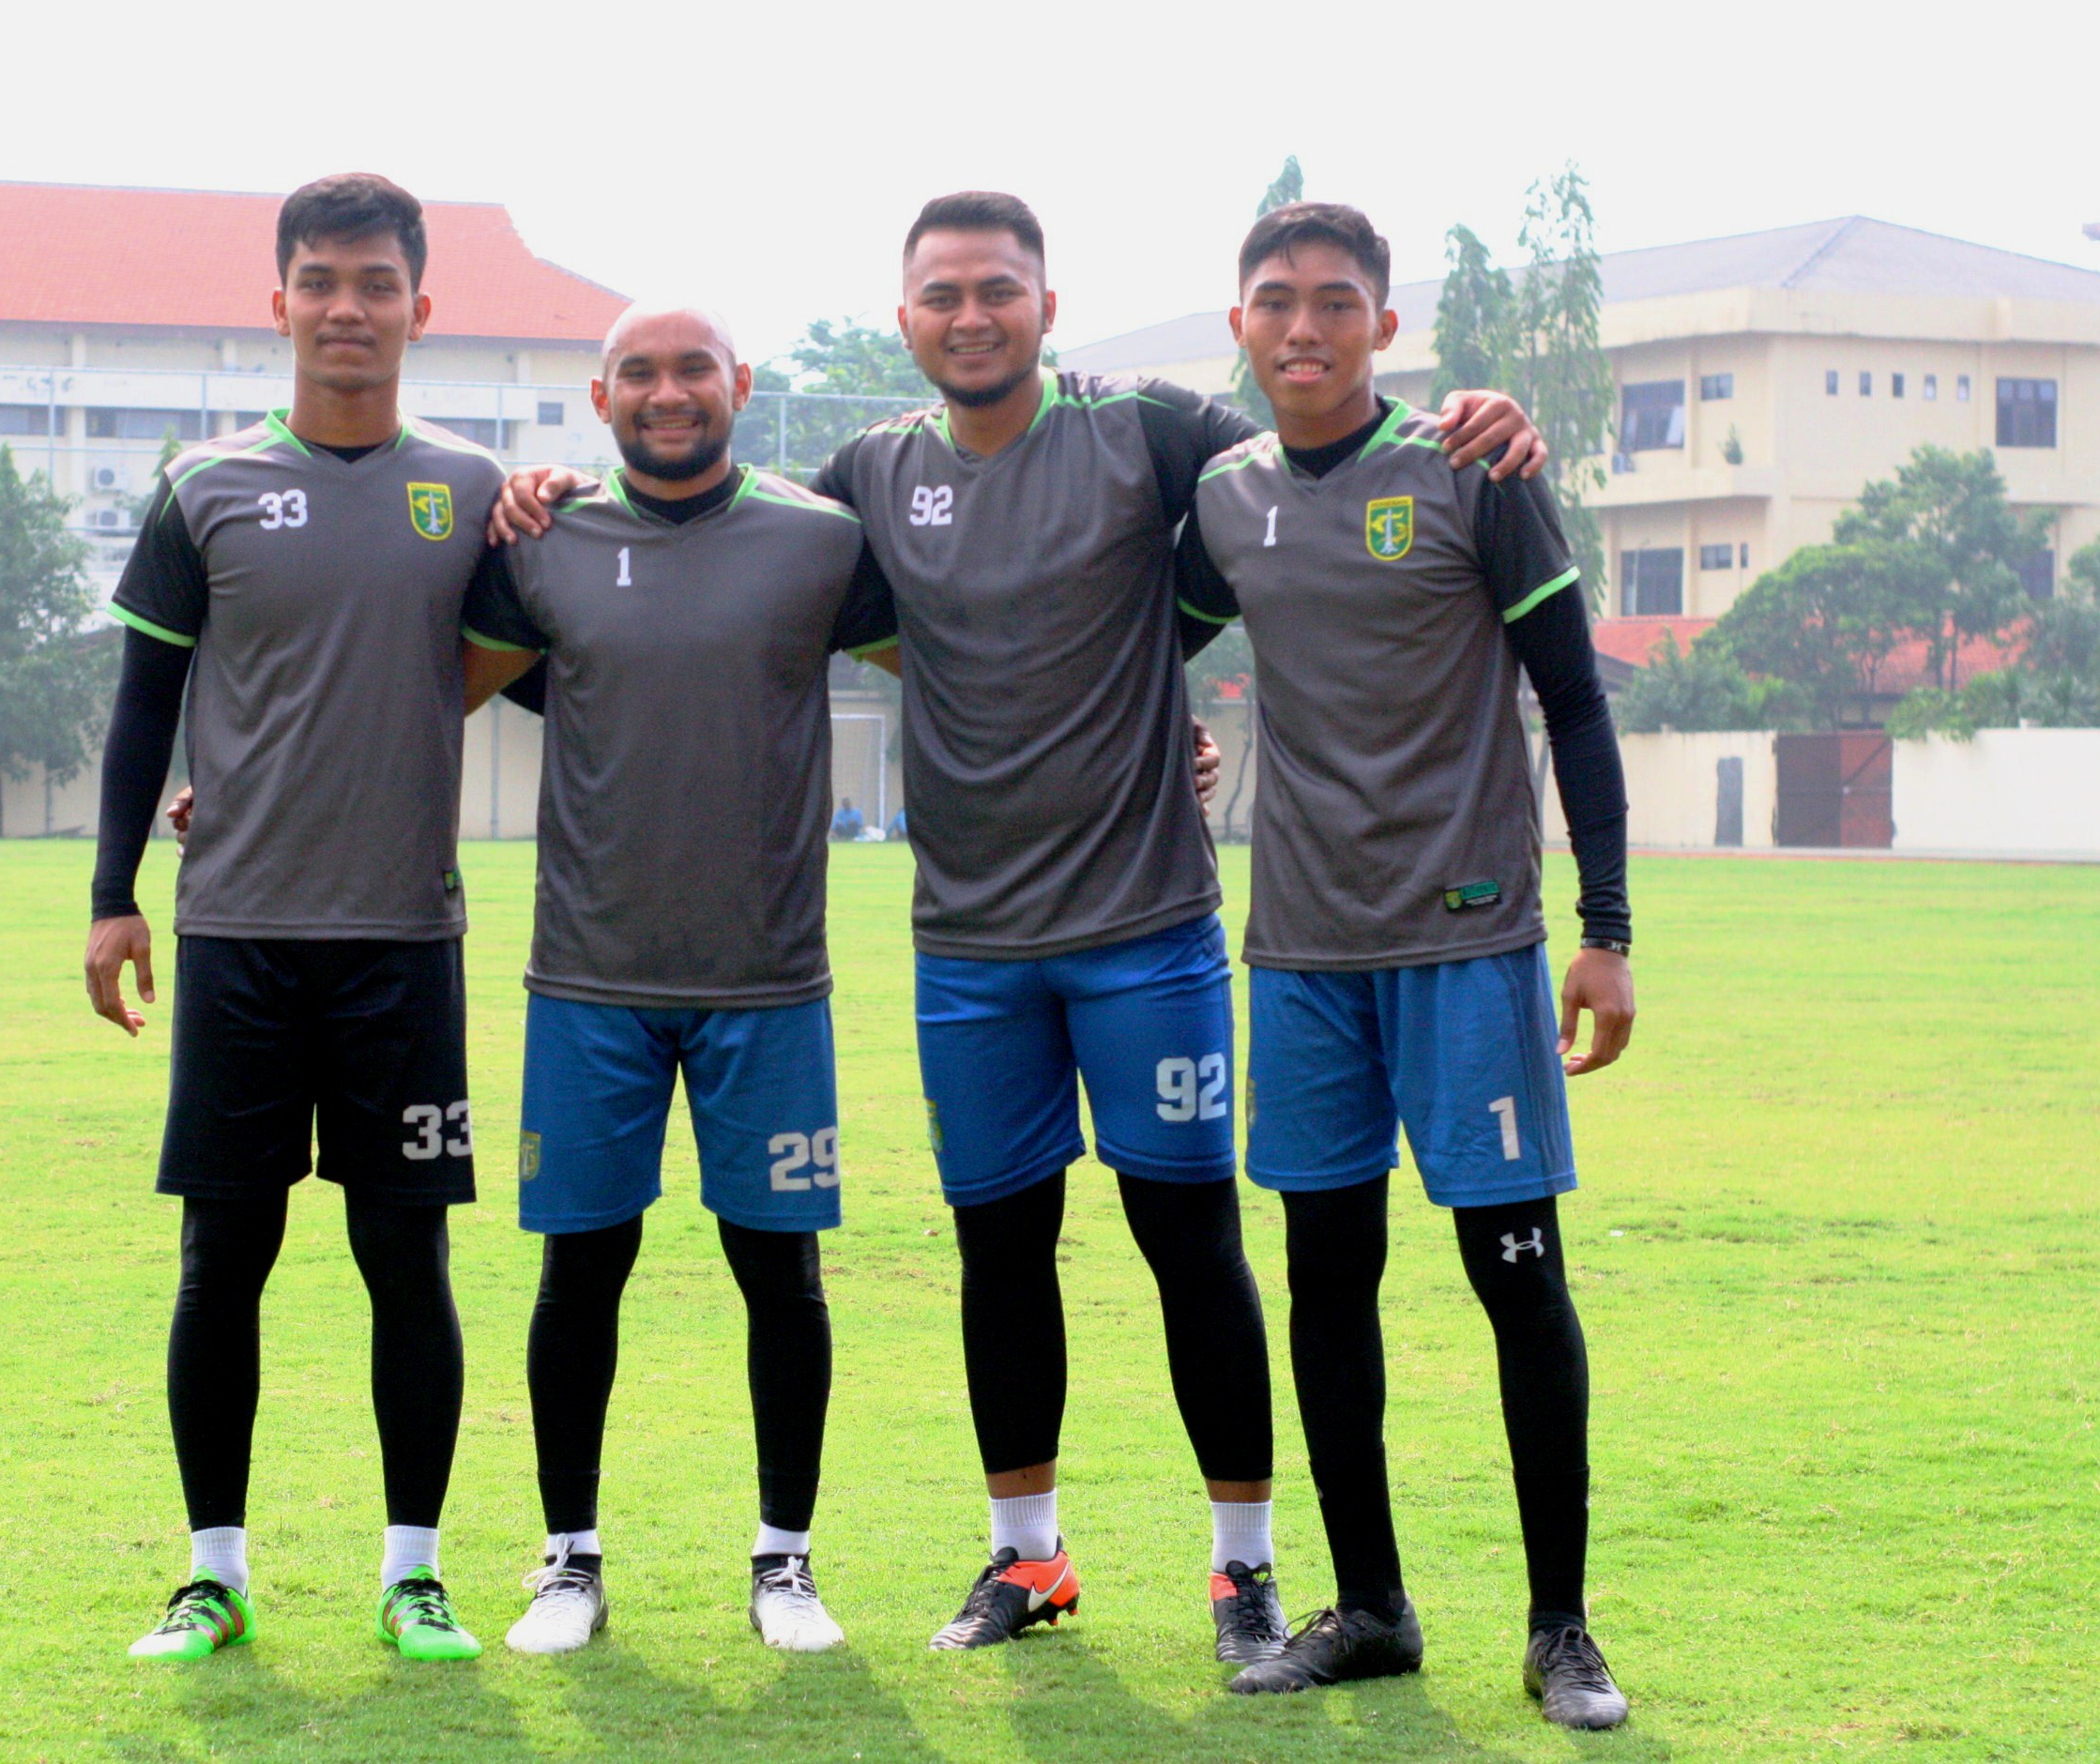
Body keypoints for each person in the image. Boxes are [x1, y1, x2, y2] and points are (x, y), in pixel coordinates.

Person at [497, 190, 1545, 1660]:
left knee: (1190, 1241)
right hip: (971, 942)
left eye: (999, 289)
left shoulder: (1144, 429)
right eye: (942, 294)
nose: (971, 314)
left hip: (1147, 926)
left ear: (1047, 308)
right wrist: (545, 491)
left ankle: (1241, 1568)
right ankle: (1025, 1560)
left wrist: (1465, 418)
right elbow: (700, 553)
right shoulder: (865, 474)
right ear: (906, 314)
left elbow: (1319, 416)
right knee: (1002, 1249)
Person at [1179, 201, 1634, 1728]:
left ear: (1382, 322)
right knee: (1327, 1285)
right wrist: (1165, 736)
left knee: (1518, 1282)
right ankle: (1371, 1606)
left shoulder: (1474, 469)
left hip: (1469, 943)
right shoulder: (1224, 500)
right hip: (1301, 951)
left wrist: (1608, 934)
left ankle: (1561, 1628)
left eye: (1334, 302)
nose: (1301, 328)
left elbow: (1575, 705)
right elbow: (1122, 645)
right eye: (1273, 302)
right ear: (1237, 322)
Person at [83, 173, 502, 1666]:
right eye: (319, 279)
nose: (347, 306)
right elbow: (146, 705)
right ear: (279, 303)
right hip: (241, 936)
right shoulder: (202, 488)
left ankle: (415, 1574)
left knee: (410, 1262)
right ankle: (213, 1574)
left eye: (375, 281)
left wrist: (559, 513)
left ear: (418, 307)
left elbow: (558, 646)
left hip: (404, 939)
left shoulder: (473, 490)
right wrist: (110, 897)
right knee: (223, 1261)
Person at [455, 303, 898, 1654]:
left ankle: (785, 1562)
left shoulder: (822, 542)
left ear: (739, 385)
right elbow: (420, 692)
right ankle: (570, 1562)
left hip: (768, 980)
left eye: (691, 369)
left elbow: (981, 674)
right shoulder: (543, 542)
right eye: (639, 373)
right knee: (580, 1272)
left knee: (783, 1273)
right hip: (588, 978)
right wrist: (224, 792)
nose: (667, 392)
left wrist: (1166, 742)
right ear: (599, 396)